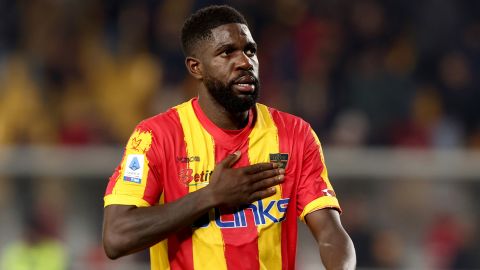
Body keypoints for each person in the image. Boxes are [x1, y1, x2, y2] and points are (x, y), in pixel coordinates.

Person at [102, 5, 356, 270]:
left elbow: (330, 234)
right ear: (196, 67)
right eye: (227, 53)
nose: (246, 62)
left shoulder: (294, 134)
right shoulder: (157, 136)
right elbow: (116, 237)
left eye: (250, 50)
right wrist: (210, 196)